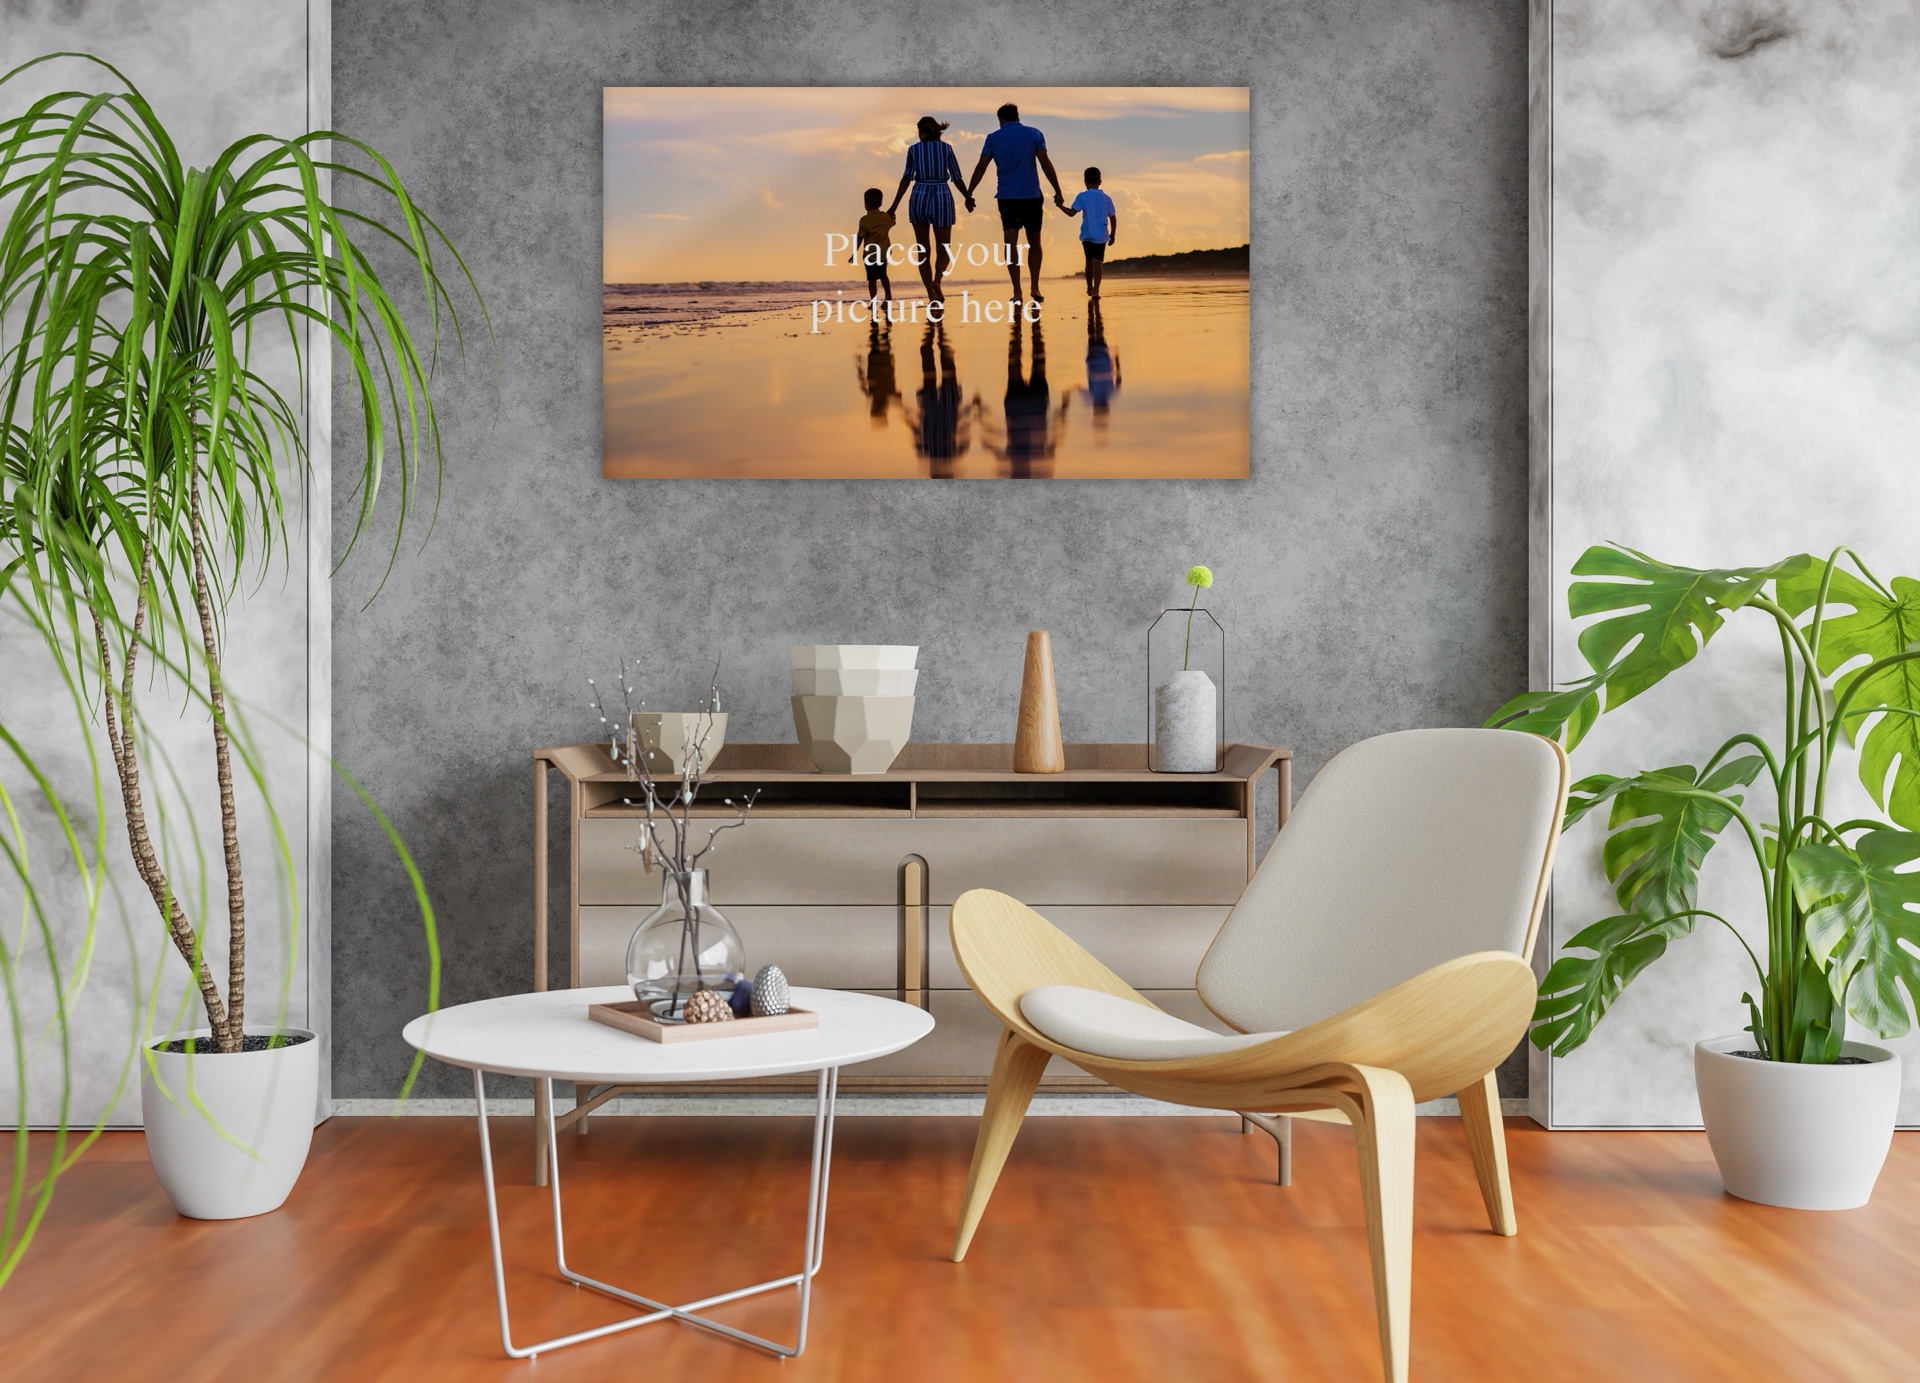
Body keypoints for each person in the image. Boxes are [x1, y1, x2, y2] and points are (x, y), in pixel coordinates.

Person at [964, 102, 1066, 304]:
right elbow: (1045, 163)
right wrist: (1057, 190)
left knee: (1010, 244)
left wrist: (969, 193)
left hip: (1007, 198)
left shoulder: (993, 138)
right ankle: (1035, 287)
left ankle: (1017, 291)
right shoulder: (1034, 134)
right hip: (1031, 196)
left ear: (1001, 119)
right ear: (1017, 116)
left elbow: (981, 166)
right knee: (1034, 242)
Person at [887, 116, 974, 303]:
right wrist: (967, 197)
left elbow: (906, 178)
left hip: (919, 196)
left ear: (922, 131)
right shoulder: (946, 148)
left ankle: (930, 294)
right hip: (941, 196)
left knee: (923, 250)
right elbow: (957, 177)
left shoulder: (913, 150)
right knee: (944, 248)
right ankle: (937, 281)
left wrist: (893, 206)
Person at [1060, 166, 1118, 298]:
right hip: (1101, 235)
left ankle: (1089, 288)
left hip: (1087, 234)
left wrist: (1060, 206)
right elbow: (1113, 217)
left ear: (1085, 182)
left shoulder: (1082, 196)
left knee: (1088, 262)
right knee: (1098, 263)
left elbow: (1071, 213)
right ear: (1100, 182)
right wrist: (1113, 234)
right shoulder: (1106, 198)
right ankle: (1096, 291)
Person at [851, 187, 896, 303]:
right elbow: (892, 220)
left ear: (865, 204)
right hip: (883, 253)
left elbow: (860, 238)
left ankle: (873, 301)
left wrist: (854, 253)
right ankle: (888, 294)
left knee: (872, 279)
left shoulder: (864, 220)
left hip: (869, 255)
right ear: (880, 203)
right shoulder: (885, 218)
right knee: (883, 275)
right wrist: (892, 214)